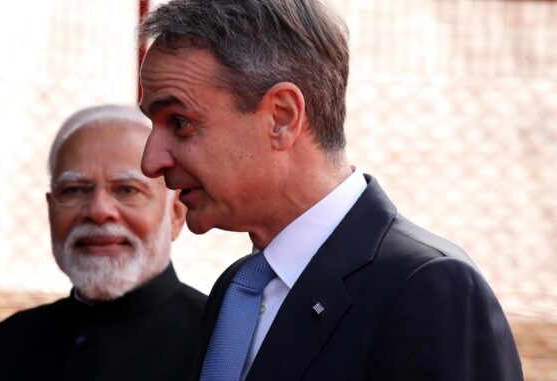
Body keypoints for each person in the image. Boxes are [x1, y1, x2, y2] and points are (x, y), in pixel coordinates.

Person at [137, 1, 523, 380]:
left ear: (282, 117)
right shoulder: (238, 289)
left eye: (181, 122)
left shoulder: (431, 290)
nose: (151, 161)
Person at [0, 105, 206, 381]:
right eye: (75, 190)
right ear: (51, 209)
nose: (99, 211)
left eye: (127, 190)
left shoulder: (220, 344)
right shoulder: (2, 345)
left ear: (175, 215)